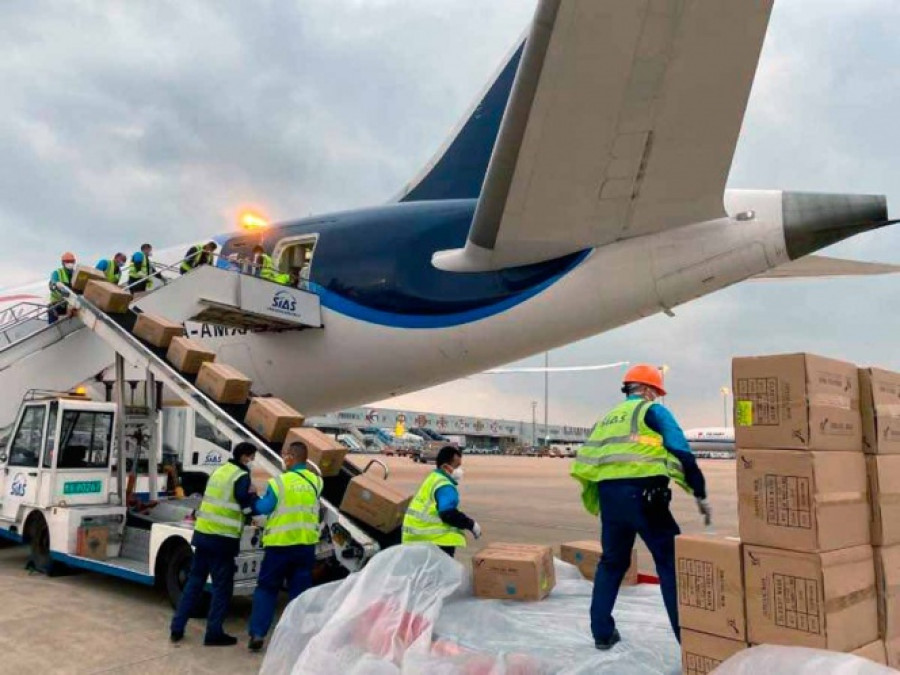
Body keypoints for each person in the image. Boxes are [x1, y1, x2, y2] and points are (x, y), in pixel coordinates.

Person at [571, 364, 709, 650]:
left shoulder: (607, 418)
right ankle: (691, 644)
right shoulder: (653, 412)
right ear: (646, 390)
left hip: (610, 499)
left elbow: (588, 459)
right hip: (645, 497)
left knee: (611, 564)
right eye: (655, 392)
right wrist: (699, 490)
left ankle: (602, 633)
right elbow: (681, 449)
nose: (656, 398)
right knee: (670, 564)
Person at [170, 442, 258, 646]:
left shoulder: (219, 471)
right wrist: (254, 500)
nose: (253, 462)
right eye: (252, 457)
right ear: (245, 457)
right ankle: (214, 633)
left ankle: (177, 627)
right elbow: (246, 508)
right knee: (221, 588)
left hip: (203, 535)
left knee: (194, 583)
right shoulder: (241, 477)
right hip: (222, 540)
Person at [247, 441, 322, 652]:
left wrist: (253, 497)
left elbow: (263, 508)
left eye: (285, 456)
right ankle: (295, 639)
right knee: (299, 594)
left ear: (290, 458)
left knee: (267, 589)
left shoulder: (279, 482)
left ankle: (258, 634)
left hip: (280, 546)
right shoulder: (316, 482)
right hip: (305, 546)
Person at [401, 446, 482, 558]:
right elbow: (448, 513)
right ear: (445, 467)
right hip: (435, 540)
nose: (460, 470)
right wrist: (471, 525)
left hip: (415, 537)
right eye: (457, 466)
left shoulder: (433, 478)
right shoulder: (444, 485)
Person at [48, 252, 76, 324]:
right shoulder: (57, 272)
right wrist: (56, 283)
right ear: (63, 263)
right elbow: (53, 282)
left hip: (71, 302)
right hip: (58, 302)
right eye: (67, 261)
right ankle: (53, 329)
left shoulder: (76, 273)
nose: (70, 263)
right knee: (51, 309)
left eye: (71, 261)